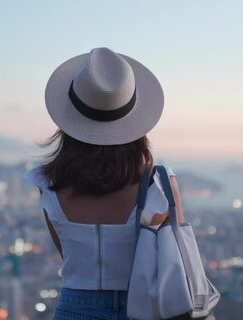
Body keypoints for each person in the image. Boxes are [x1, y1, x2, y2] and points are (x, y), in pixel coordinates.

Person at [25, 47, 185, 319]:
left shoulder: (47, 183)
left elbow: (67, 253)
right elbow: (174, 255)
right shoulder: (159, 184)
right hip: (143, 308)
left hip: (73, 309)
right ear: (135, 123)